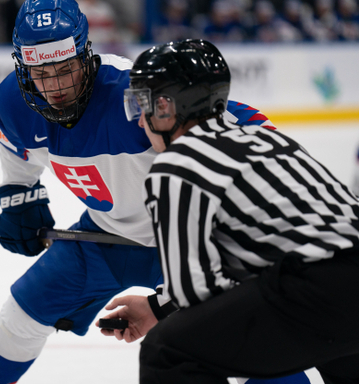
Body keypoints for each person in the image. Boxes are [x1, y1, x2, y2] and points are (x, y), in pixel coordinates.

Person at [0, 0, 277, 384]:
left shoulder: (135, 92)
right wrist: (20, 197)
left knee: (245, 341)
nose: (55, 86)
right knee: (19, 317)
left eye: (65, 68)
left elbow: (239, 121)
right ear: (23, 67)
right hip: (104, 235)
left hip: (186, 244)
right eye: (41, 74)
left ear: (85, 55)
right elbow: (15, 149)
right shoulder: (12, 102)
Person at [99, 39, 359, 384]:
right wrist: (156, 307)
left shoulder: (178, 164)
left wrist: (165, 314)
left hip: (316, 291)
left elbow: (198, 293)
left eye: (141, 106)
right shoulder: (270, 141)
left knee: (169, 349)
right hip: (342, 285)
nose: (139, 122)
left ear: (164, 108)